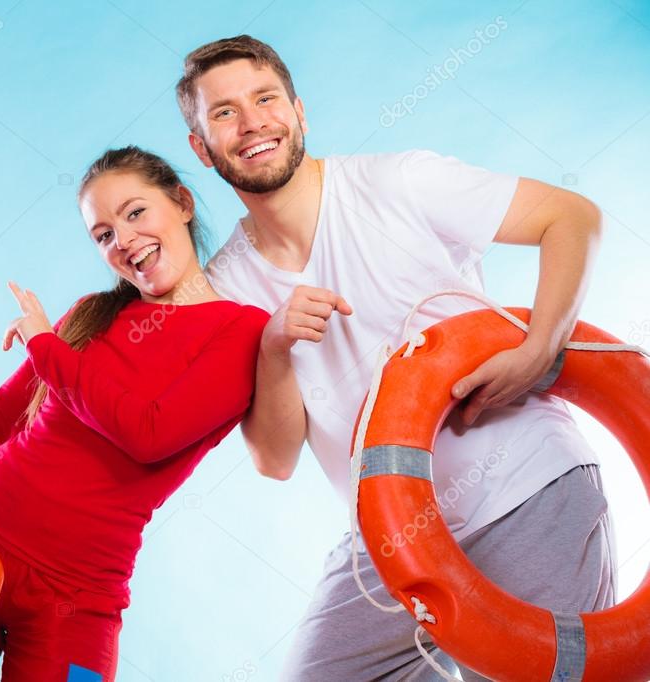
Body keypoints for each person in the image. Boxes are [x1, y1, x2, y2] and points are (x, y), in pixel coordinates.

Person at [175, 35, 616, 680]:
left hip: (525, 485)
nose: (251, 124)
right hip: (391, 534)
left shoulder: (398, 182)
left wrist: (539, 349)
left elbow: (571, 216)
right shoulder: (226, 287)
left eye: (265, 99)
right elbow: (274, 459)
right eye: (223, 113)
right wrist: (273, 348)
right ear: (201, 149)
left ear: (298, 111)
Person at [0, 145, 269, 682]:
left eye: (135, 213)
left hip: (78, 591)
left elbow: (149, 434)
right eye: (103, 234)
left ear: (182, 203)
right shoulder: (89, 314)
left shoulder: (241, 331)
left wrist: (47, 348)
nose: (124, 241)